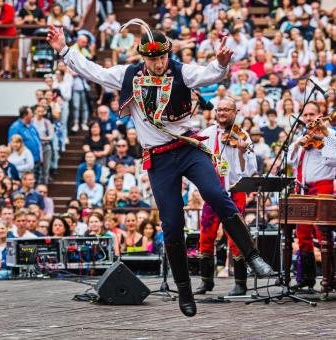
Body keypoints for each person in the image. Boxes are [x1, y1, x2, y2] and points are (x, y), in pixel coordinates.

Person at [48, 22, 272, 317]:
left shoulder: (181, 71)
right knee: (171, 223)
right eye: (153, 59)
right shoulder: (127, 75)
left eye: (163, 57)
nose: (159, 63)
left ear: (169, 54)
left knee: (216, 194)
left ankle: (252, 255)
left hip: (188, 149)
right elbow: (95, 72)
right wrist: (64, 49)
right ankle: (184, 290)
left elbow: (208, 75)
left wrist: (220, 63)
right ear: (144, 57)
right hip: (159, 159)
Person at [195, 98, 257, 296]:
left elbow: (249, 170)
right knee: (206, 235)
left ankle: (240, 282)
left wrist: (240, 152)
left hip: (234, 192)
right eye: (219, 109)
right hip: (212, 192)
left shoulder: (242, 135)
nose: (221, 113)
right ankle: (206, 281)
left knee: (236, 237)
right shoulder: (207, 133)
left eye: (226, 110)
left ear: (235, 112)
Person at [288, 101, 336, 291]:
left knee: (323, 233)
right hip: (303, 189)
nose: (308, 118)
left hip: (322, 187)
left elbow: (334, 159)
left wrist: (324, 136)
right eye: (305, 114)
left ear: (319, 115)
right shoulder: (303, 137)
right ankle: (306, 278)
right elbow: (290, 161)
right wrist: (297, 144)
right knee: (302, 233)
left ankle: (329, 278)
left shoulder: (330, 135)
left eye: (312, 114)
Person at [8, 106, 42, 179]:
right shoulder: (15, 127)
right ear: (25, 115)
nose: (32, 115)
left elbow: (38, 141)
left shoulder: (31, 126)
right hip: (24, 162)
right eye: (31, 113)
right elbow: (11, 144)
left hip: (36, 160)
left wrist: (40, 156)